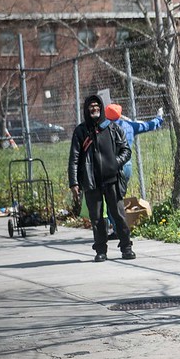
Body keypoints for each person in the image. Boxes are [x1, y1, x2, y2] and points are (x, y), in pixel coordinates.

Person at [68, 95, 136, 262]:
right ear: (86, 109)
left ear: (101, 108)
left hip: (112, 179)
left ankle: (126, 247)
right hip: (91, 182)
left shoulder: (112, 128)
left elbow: (126, 150)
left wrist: (115, 163)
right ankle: (101, 251)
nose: (94, 109)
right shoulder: (81, 131)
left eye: (97, 106)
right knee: (97, 218)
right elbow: (74, 159)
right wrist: (74, 182)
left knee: (119, 215)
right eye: (91, 107)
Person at [104, 103, 164, 239]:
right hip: (127, 166)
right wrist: (159, 118)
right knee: (119, 197)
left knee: (110, 199)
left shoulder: (104, 128)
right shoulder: (130, 126)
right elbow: (148, 125)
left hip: (111, 167)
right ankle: (120, 226)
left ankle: (117, 228)